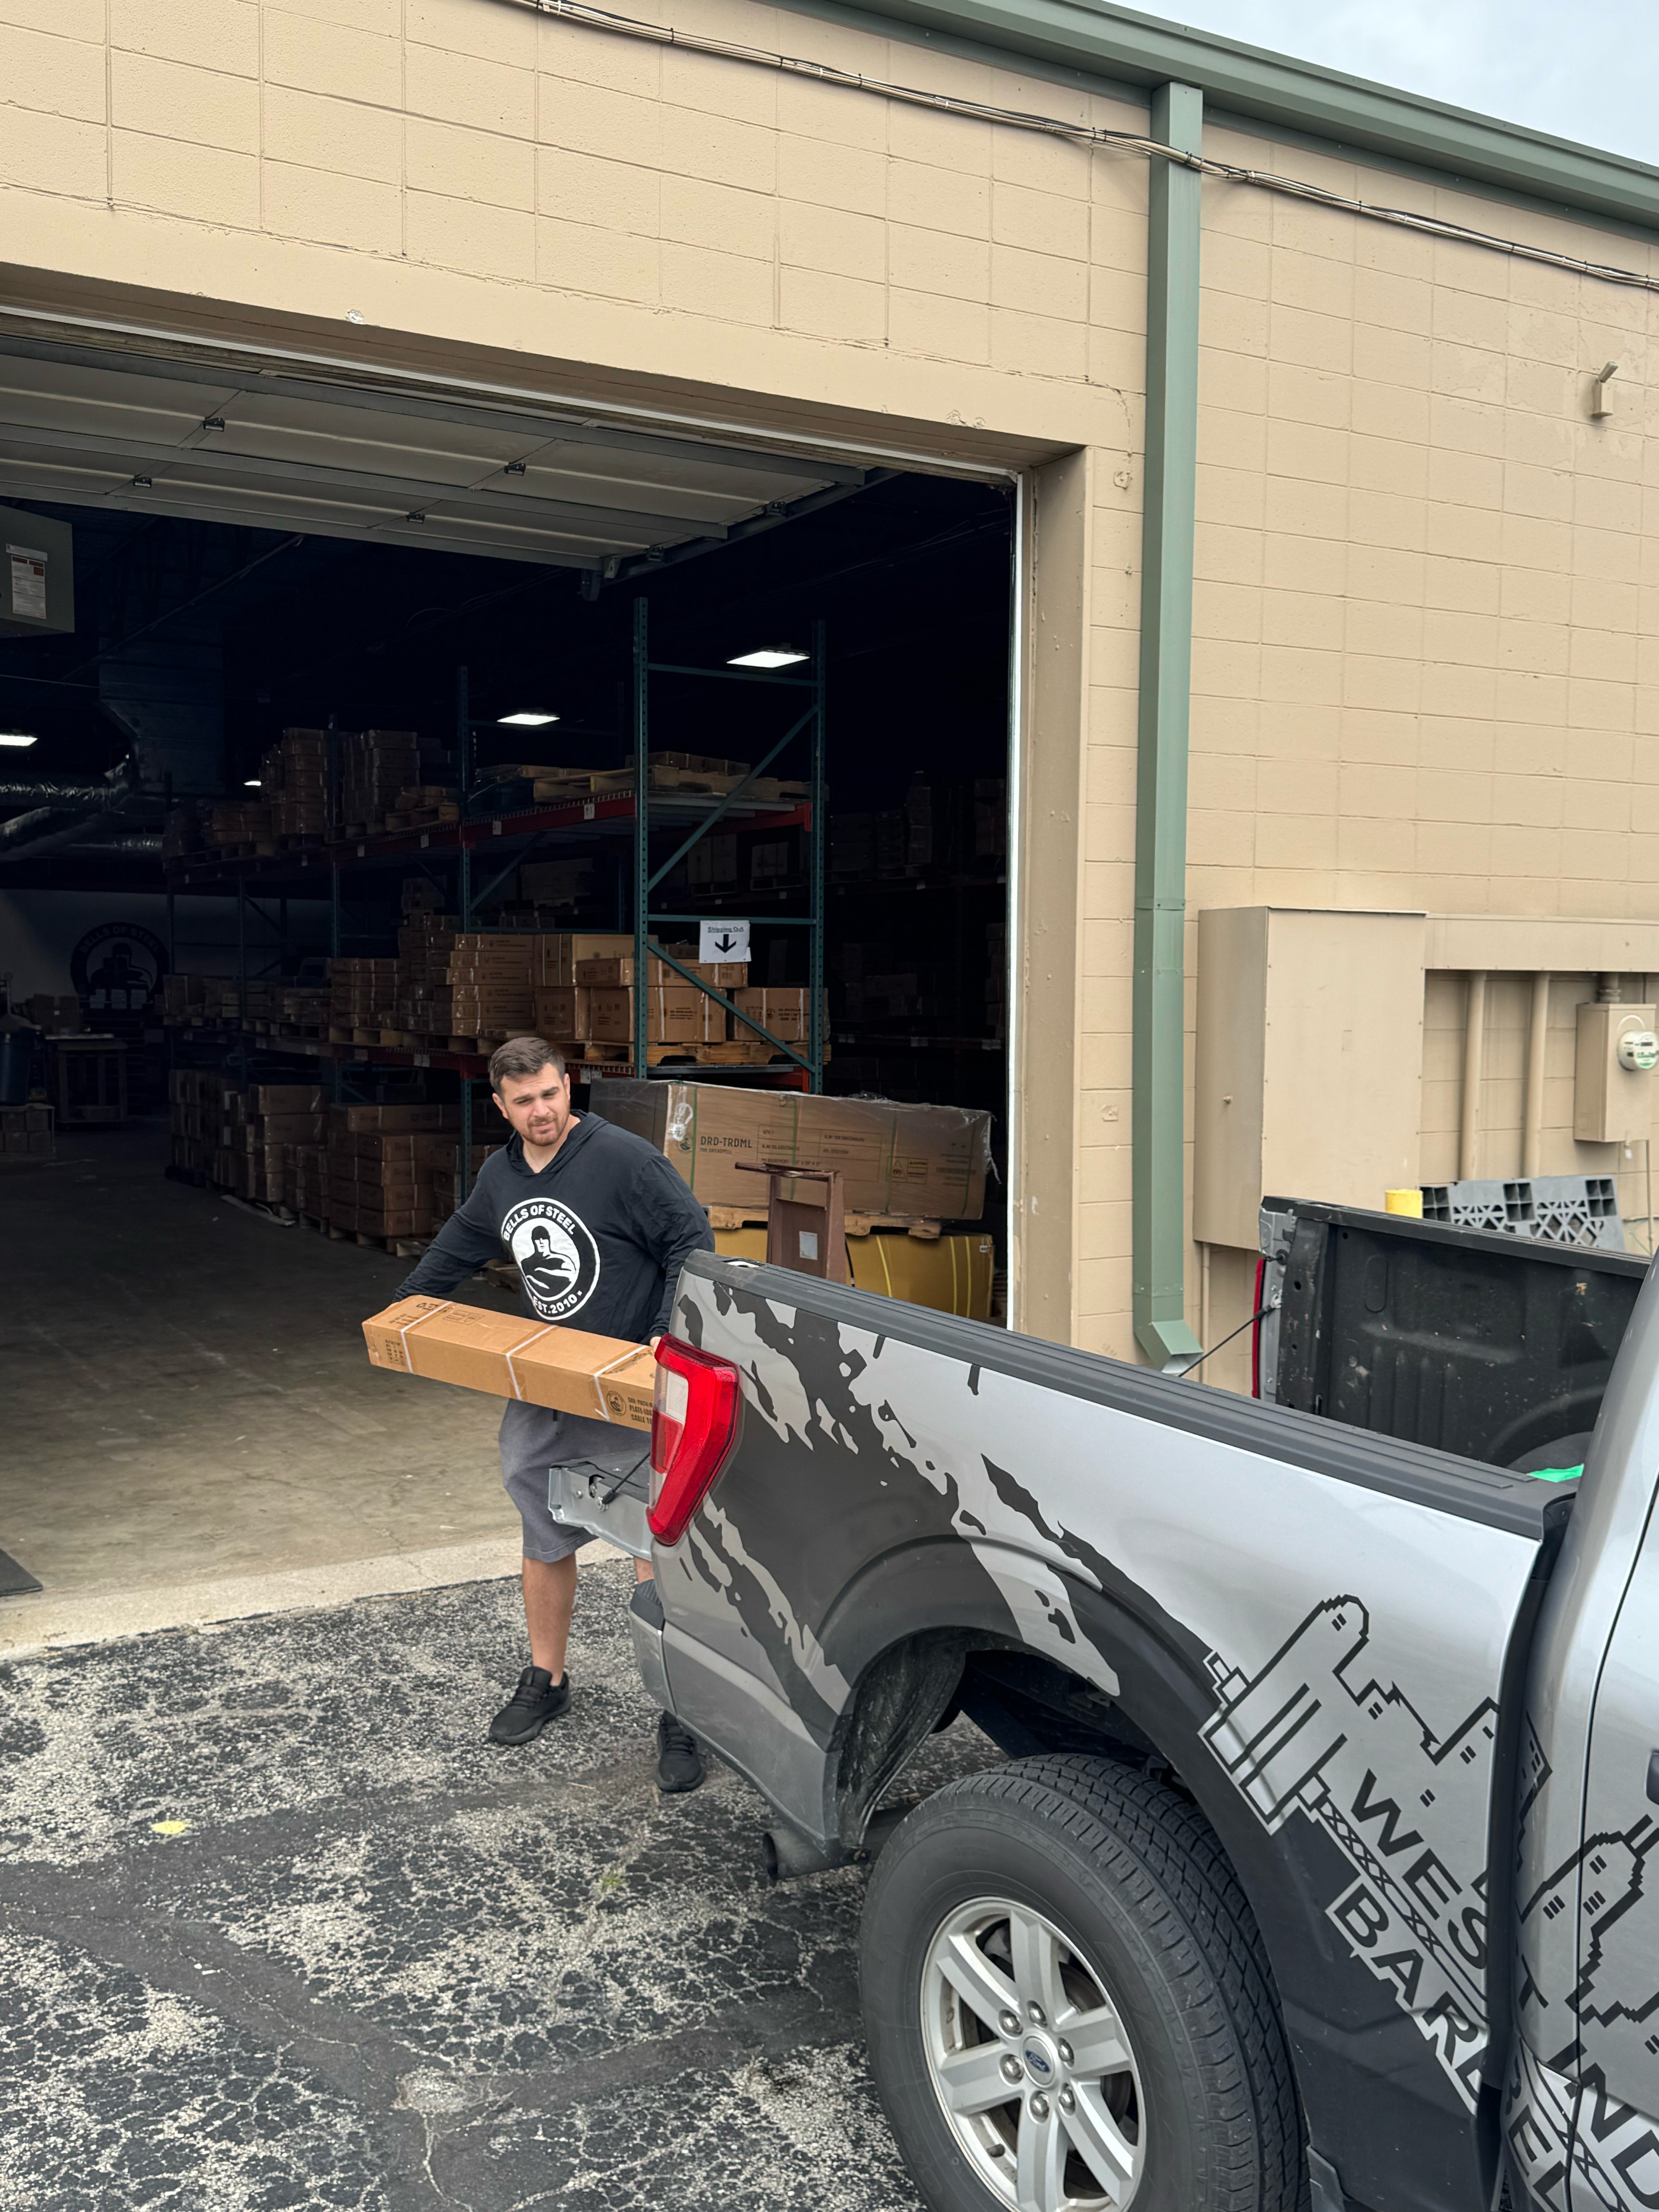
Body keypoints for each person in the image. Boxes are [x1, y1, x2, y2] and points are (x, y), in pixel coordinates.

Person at [391, 1035, 714, 1791]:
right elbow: (465, 1239)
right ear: (500, 1106)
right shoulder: (501, 1174)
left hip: (626, 1385)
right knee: (542, 1530)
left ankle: (680, 1709)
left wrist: (663, 1333)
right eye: (523, 1101)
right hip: (546, 1382)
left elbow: (690, 1237)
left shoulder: (624, 1160)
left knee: (653, 1546)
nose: (540, 1111)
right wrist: (408, 1304)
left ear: (569, 1088)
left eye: (549, 1094)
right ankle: (548, 1678)